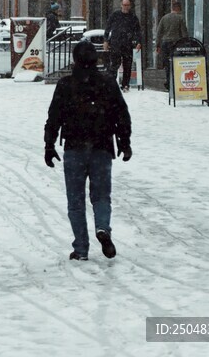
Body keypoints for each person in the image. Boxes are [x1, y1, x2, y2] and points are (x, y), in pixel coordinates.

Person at [44, 39, 132, 261]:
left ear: (74, 60)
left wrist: (49, 144)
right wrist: (124, 142)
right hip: (102, 147)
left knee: (75, 201)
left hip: (74, 147)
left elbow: (54, 116)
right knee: (101, 196)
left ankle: (81, 248)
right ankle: (102, 227)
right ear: (96, 60)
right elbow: (121, 114)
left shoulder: (65, 85)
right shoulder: (108, 83)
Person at [103, 0, 142, 92]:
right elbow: (107, 28)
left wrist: (138, 42)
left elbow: (138, 31)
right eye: (124, 5)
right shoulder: (115, 15)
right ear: (121, 5)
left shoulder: (133, 17)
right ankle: (112, 85)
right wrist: (106, 40)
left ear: (130, 6)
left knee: (127, 65)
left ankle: (125, 85)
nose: (125, 7)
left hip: (128, 44)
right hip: (115, 43)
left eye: (127, 5)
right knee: (114, 65)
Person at [156, 2, 188, 90]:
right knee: (177, 63)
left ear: (172, 8)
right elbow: (184, 33)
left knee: (167, 64)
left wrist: (158, 45)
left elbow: (159, 32)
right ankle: (176, 81)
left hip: (165, 44)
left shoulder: (164, 18)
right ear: (179, 9)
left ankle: (168, 81)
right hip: (176, 43)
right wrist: (186, 43)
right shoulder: (180, 18)